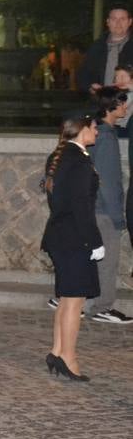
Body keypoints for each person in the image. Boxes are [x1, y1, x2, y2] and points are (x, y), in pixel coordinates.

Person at [41, 110, 102, 382]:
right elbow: (81, 207)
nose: (97, 131)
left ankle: (57, 351)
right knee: (74, 301)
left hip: (60, 235)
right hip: (75, 238)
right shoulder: (78, 161)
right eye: (94, 126)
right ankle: (69, 357)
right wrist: (95, 241)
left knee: (67, 298)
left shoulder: (59, 156)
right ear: (82, 129)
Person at [81, 88, 132, 324]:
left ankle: (87, 302)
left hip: (92, 207)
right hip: (103, 210)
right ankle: (102, 306)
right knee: (107, 259)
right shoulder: (107, 138)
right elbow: (108, 181)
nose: (125, 107)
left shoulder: (95, 133)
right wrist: (117, 217)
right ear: (111, 106)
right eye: (122, 103)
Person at [76, 5, 133, 93]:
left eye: (122, 19)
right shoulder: (96, 47)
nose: (118, 23)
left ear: (130, 22)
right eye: (114, 19)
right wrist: (90, 86)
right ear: (108, 22)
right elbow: (84, 74)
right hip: (101, 102)